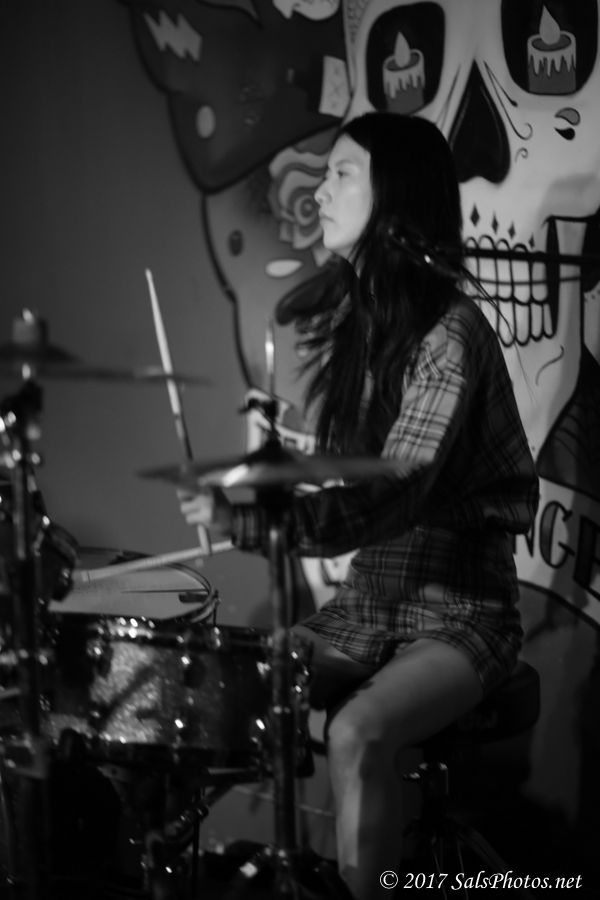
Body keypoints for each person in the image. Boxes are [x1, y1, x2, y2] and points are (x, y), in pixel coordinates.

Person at [180, 112, 539, 900]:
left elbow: (394, 493)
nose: (320, 191)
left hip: (461, 613)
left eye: (343, 174)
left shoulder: (450, 336)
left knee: (356, 732)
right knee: (229, 691)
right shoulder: (362, 326)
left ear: (396, 196)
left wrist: (260, 523)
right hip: (366, 605)